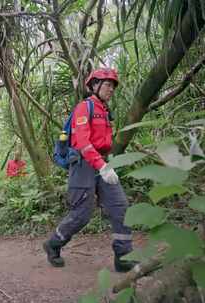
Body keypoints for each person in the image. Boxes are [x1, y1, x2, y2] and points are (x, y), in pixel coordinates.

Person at [43, 67, 137, 272]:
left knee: (121, 207)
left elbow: (104, 143)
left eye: (113, 86)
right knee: (82, 214)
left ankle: (123, 257)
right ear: (95, 85)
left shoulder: (104, 111)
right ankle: (53, 244)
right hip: (84, 165)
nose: (111, 89)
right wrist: (102, 166)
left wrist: (107, 164)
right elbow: (83, 142)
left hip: (102, 164)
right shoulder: (84, 108)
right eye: (107, 85)